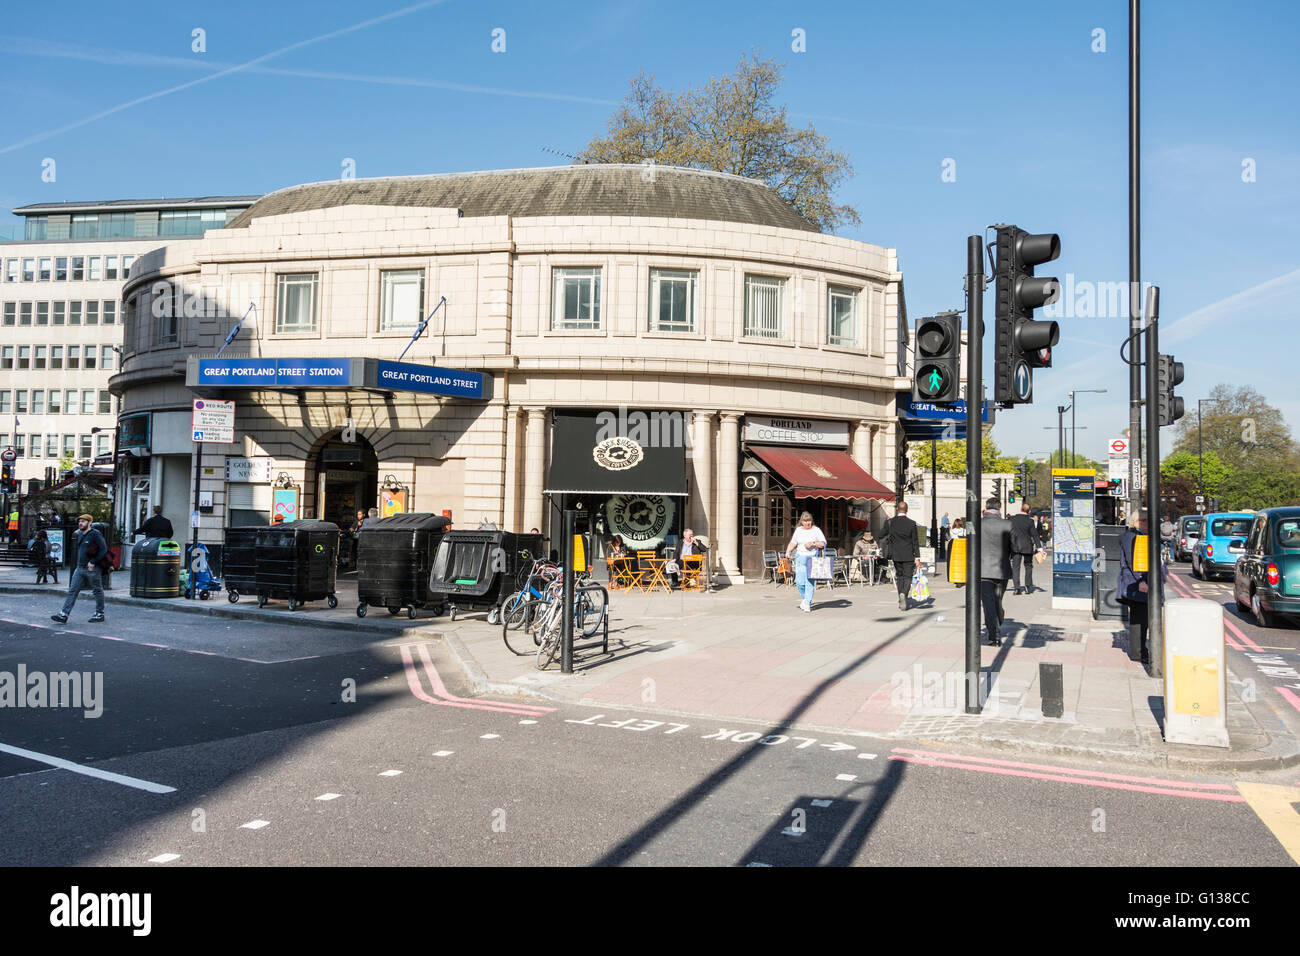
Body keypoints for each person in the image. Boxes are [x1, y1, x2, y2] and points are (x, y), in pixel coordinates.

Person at [1117, 509, 1166, 666]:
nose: (1148, 524)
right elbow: (1133, 562)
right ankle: (1138, 653)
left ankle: (1140, 651)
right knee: (1140, 620)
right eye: (1145, 521)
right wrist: (1140, 581)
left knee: (1142, 619)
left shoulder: (1137, 536)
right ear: (1137, 522)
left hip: (1140, 583)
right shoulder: (1133, 537)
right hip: (1138, 584)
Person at [51, 514, 107, 625]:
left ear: (90, 522)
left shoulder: (95, 534)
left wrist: (93, 561)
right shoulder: (80, 534)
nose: (81, 523)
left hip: (92, 568)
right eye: (80, 521)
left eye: (83, 521)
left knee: (97, 590)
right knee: (72, 591)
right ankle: (64, 614)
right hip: (79, 567)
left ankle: (99, 613)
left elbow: (103, 549)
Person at [980, 499, 1013, 645]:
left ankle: (994, 634)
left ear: (986, 507)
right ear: (1000, 507)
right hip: (1001, 569)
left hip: (982, 570)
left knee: (988, 603)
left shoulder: (976, 524)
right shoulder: (1007, 524)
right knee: (997, 600)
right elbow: (1015, 546)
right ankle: (997, 626)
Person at [882, 501, 924, 610]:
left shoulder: (891, 522)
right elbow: (915, 541)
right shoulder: (911, 523)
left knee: (899, 576)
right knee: (908, 576)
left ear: (897, 509)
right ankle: (904, 594)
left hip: (896, 555)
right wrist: (917, 558)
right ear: (907, 510)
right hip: (909, 555)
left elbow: (880, 534)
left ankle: (901, 595)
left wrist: (886, 524)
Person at [785, 511, 827, 613]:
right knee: (799, 582)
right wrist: (788, 551)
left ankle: (807, 603)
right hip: (800, 558)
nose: (807, 523)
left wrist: (813, 543)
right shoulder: (798, 530)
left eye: (809, 520)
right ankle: (805, 599)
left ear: (811, 521)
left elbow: (823, 543)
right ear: (801, 521)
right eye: (805, 521)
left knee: (809, 582)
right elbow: (793, 542)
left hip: (812, 558)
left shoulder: (816, 530)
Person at [1009, 502, 1044, 595]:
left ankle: (1017, 588)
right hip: (1027, 546)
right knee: (1028, 566)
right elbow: (1034, 535)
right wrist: (1039, 548)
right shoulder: (1030, 521)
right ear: (1029, 511)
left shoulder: (1012, 519)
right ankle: (1028, 586)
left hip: (1015, 546)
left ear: (1020, 509)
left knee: (1016, 567)